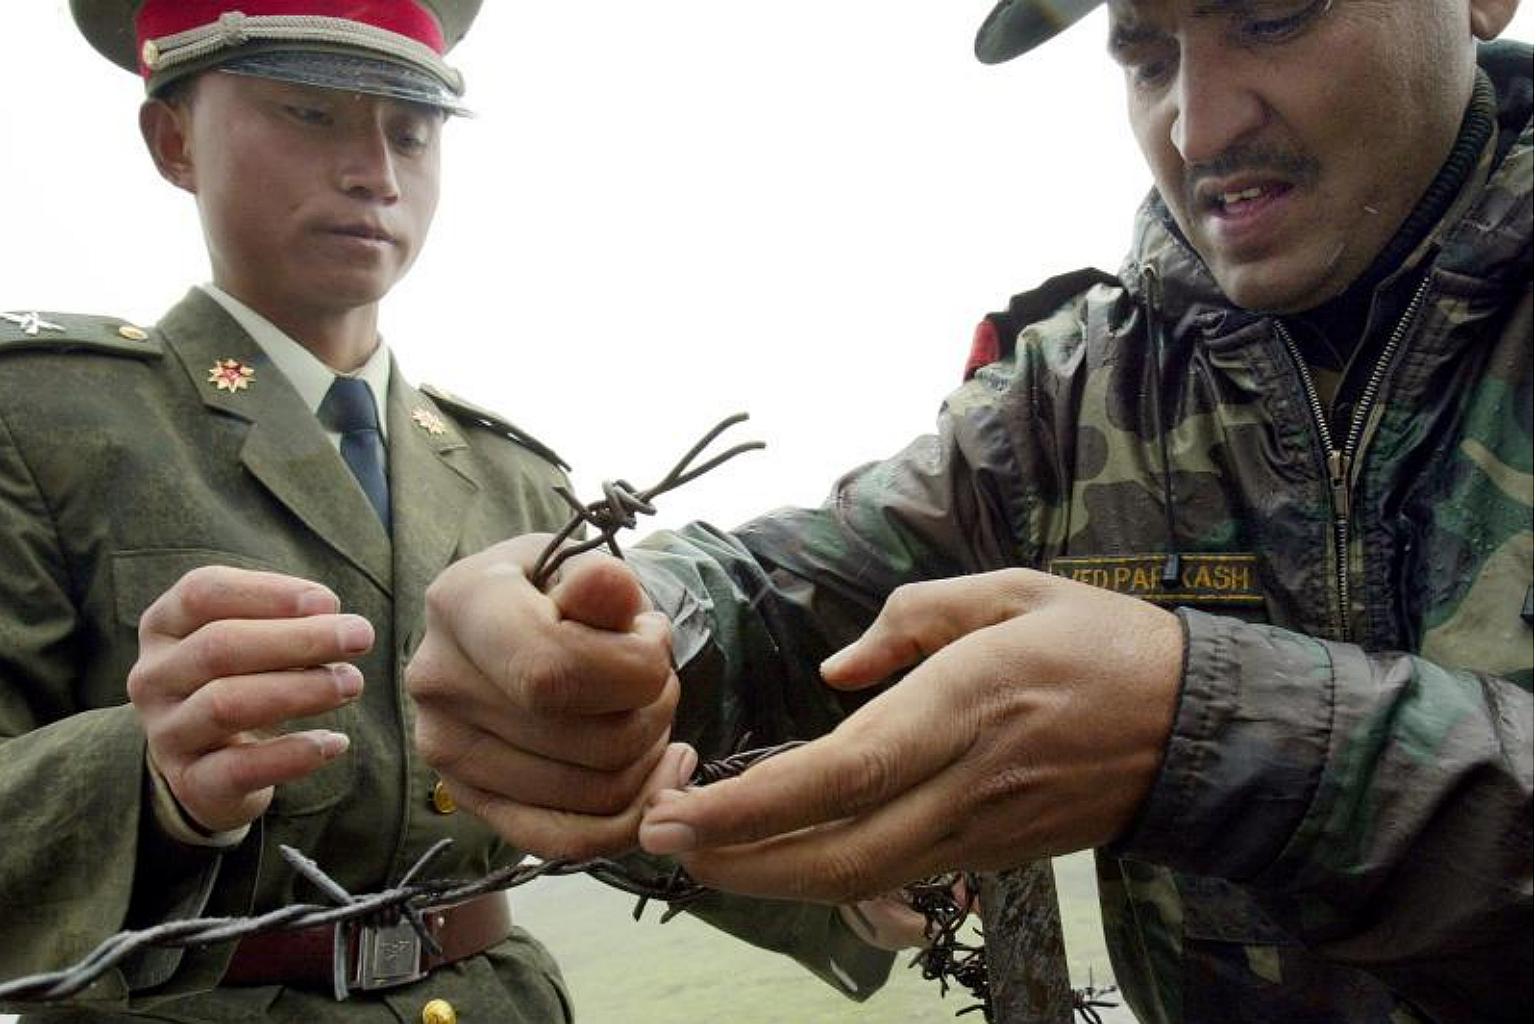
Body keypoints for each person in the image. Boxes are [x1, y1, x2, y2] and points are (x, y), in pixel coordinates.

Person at [405, 0, 1534, 1021]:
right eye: (1146, 57)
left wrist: (1211, 735)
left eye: (1272, 18)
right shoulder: (1077, 394)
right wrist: (607, 638)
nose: (1199, 128)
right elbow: (796, 594)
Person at [0, 1, 899, 1019]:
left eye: (412, 132)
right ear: (174, 140)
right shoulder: (43, 422)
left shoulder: (511, 478)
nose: (374, 173)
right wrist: (149, 781)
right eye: (310, 113)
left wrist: (845, 885)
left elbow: (586, 789)